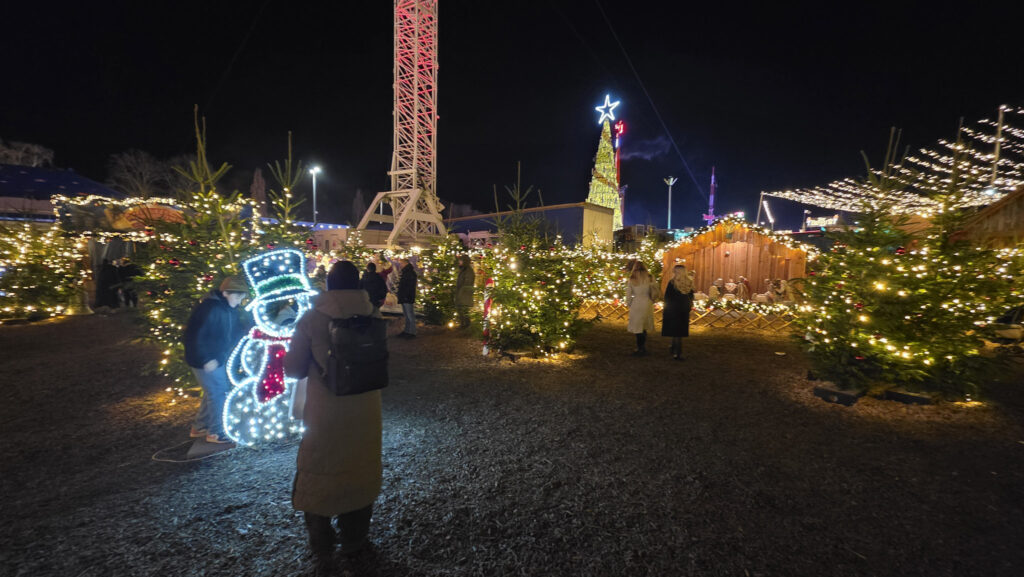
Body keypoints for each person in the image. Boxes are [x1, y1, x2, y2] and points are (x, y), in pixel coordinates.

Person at [283, 261, 383, 559]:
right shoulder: (373, 313)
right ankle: (355, 539)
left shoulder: (312, 319)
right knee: (361, 465)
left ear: (329, 284)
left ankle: (322, 542)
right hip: (366, 407)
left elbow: (294, 369)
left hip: (325, 411)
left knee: (321, 467)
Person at [183, 276, 249, 444]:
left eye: (242, 297)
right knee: (218, 392)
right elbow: (194, 335)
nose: (240, 300)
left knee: (212, 392)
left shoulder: (228, 308)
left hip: (216, 357)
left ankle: (199, 427)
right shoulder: (210, 308)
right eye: (237, 296)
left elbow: (233, 332)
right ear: (225, 293)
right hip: (206, 360)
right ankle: (216, 432)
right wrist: (206, 358)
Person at [662, 264, 695, 360]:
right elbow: (692, 297)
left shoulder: (672, 283)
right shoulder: (689, 283)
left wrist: (667, 307)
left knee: (675, 331)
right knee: (679, 331)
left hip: (673, 309)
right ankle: (674, 348)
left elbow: (667, 297)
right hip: (684, 309)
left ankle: (677, 352)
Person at [626, 260, 656, 356]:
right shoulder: (650, 277)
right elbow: (655, 289)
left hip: (637, 303)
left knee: (637, 326)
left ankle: (640, 348)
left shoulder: (632, 278)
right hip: (647, 302)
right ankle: (643, 347)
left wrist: (629, 303)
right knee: (644, 326)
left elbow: (628, 294)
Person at [397, 256, 418, 338]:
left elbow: (408, 286)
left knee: (409, 315)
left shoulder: (409, 273)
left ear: (406, 263)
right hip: (405, 296)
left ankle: (412, 332)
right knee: (407, 315)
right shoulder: (407, 272)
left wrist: (405, 295)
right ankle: (407, 331)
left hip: (407, 297)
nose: (400, 265)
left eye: (401, 263)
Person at [454, 254, 475, 328]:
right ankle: (463, 324)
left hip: (465, 294)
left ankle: (466, 325)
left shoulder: (468, 271)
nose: (459, 262)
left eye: (461, 260)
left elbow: (467, 283)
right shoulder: (463, 270)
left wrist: (461, 291)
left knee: (464, 310)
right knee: (461, 309)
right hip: (461, 292)